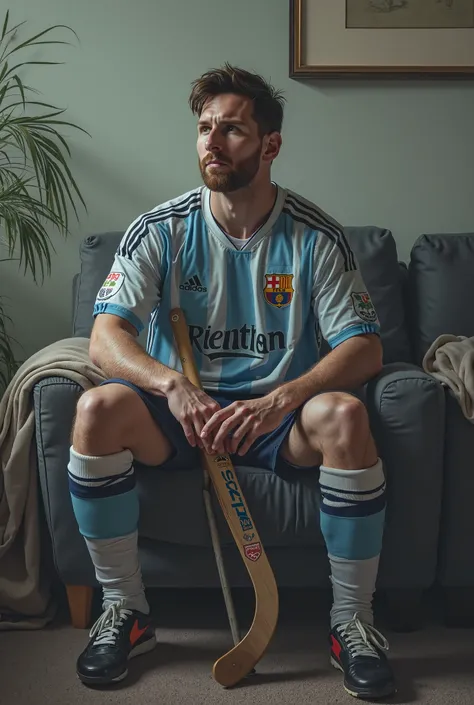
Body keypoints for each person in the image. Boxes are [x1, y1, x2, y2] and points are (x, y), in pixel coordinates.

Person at [68, 63, 395, 699]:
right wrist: (170, 385)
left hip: (273, 415)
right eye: (204, 128)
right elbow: (106, 337)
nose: (212, 143)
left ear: (271, 144)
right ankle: (126, 612)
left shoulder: (314, 236)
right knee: (96, 410)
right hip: (179, 413)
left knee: (347, 417)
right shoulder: (162, 229)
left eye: (233, 130)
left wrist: (284, 398)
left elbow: (365, 347)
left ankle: (352, 621)